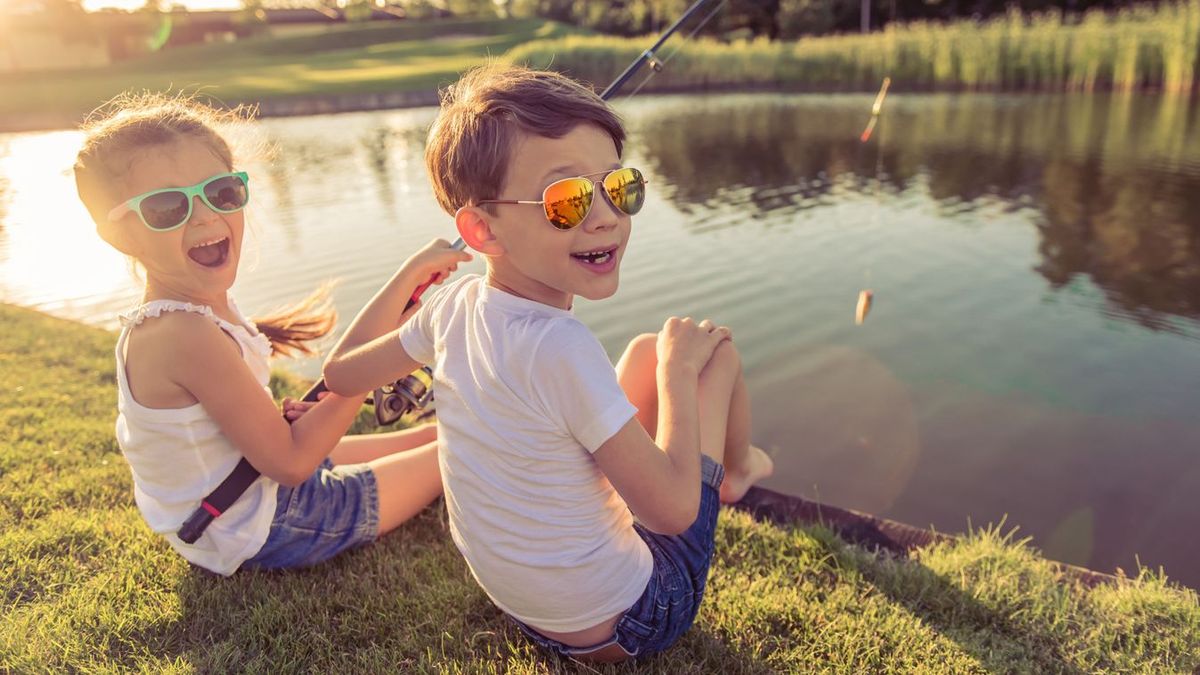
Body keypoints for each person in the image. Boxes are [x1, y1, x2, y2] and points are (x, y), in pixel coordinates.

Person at [323, 64, 774, 661]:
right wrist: (676, 373)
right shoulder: (559, 347)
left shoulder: (450, 306)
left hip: (526, 607)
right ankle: (737, 471)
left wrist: (407, 278)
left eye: (618, 186)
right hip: (629, 622)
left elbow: (340, 375)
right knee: (711, 356)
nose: (607, 216)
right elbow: (669, 514)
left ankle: (731, 465)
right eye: (568, 200)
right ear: (482, 230)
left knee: (639, 350)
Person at [73, 93, 466, 575]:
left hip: (247, 489)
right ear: (118, 234)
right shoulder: (181, 333)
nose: (203, 217)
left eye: (219, 192)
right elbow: (294, 462)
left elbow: (323, 389)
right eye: (166, 207)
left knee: (443, 432)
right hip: (265, 524)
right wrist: (364, 375)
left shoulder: (197, 309)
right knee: (464, 448)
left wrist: (407, 276)